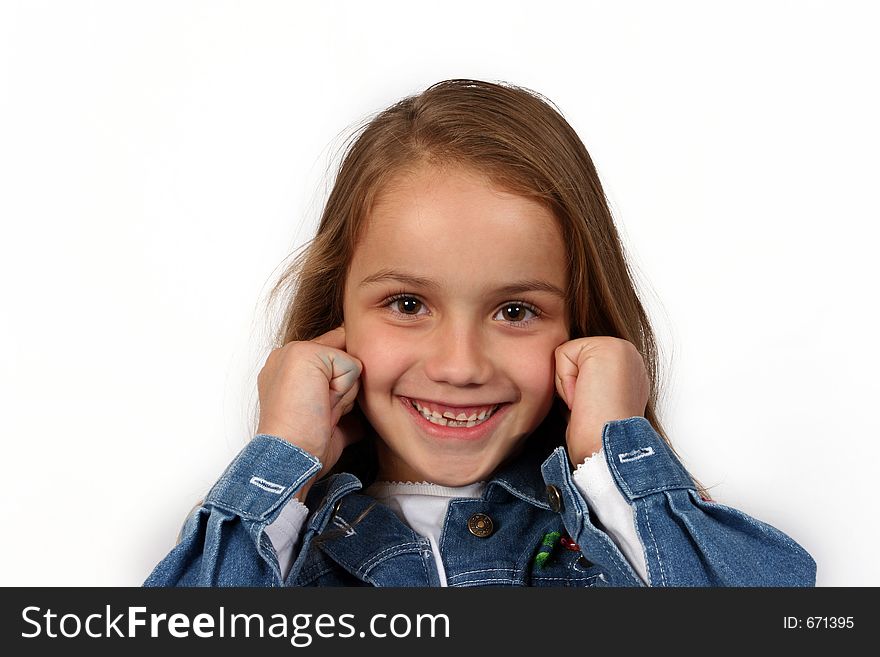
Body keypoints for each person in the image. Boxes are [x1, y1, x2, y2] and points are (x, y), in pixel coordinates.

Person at [144, 79, 816, 587]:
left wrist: (614, 454)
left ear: (580, 326)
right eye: (407, 303)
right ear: (335, 315)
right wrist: (282, 458)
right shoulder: (278, 548)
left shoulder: (629, 537)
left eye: (515, 311)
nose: (460, 365)